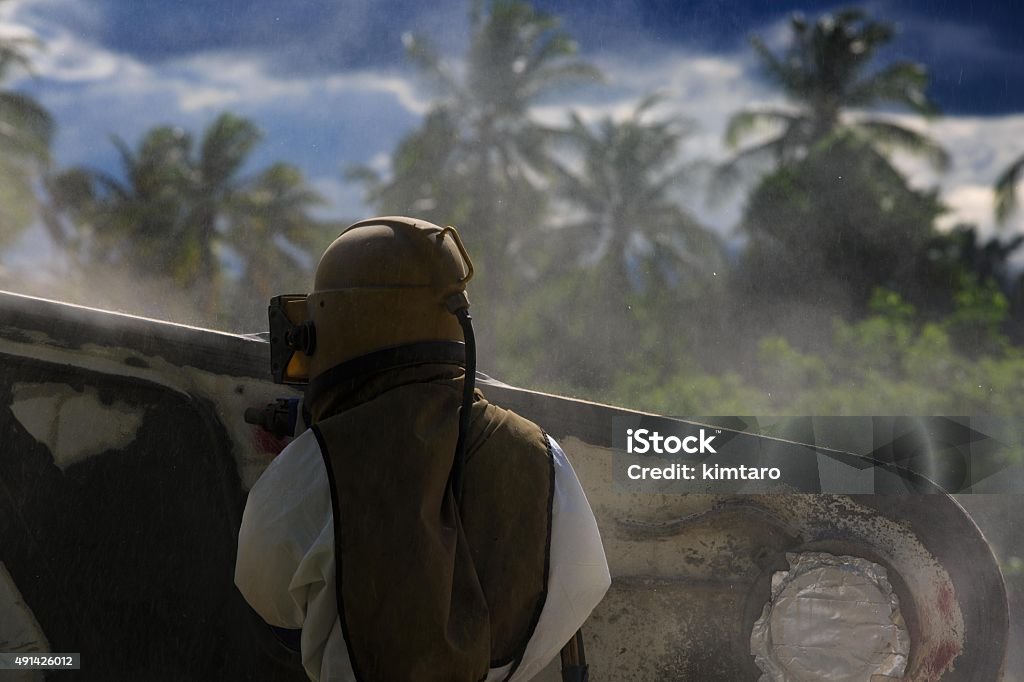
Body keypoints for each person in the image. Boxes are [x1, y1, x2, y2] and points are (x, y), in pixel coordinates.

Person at [235, 216, 610, 681]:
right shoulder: (543, 454)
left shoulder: (314, 464)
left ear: (334, 320)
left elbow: (270, 604)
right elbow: (579, 587)